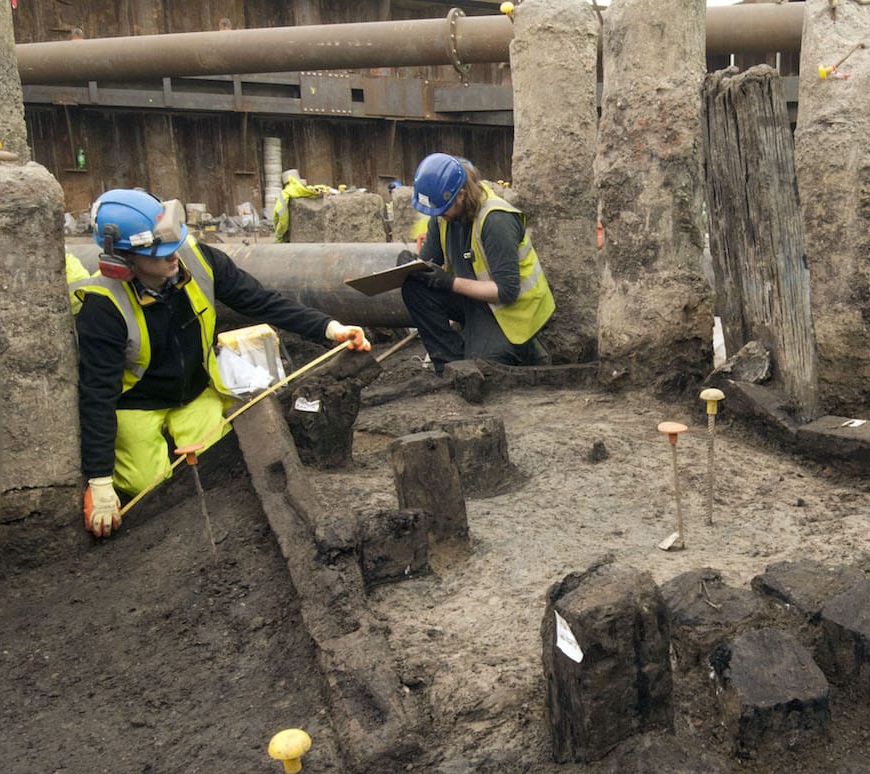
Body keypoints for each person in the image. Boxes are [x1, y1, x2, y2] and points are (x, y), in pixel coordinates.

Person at [73, 188, 371, 538]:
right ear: (122, 258)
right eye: (160, 251)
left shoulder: (196, 260)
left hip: (196, 390)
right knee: (147, 487)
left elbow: (260, 300)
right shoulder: (102, 306)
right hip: (137, 402)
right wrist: (100, 480)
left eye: (174, 244)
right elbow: (97, 396)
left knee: (220, 464)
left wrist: (328, 327)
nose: (174, 258)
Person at [400, 153, 554, 371]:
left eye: (442, 209)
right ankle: (450, 366)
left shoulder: (496, 220)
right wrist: (411, 266)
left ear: (461, 194)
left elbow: (507, 292)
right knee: (415, 286)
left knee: (483, 367)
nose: (439, 215)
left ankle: (528, 349)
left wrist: (450, 282)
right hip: (474, 299)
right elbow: (427, 264)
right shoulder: (443, 215)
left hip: (513, 311)